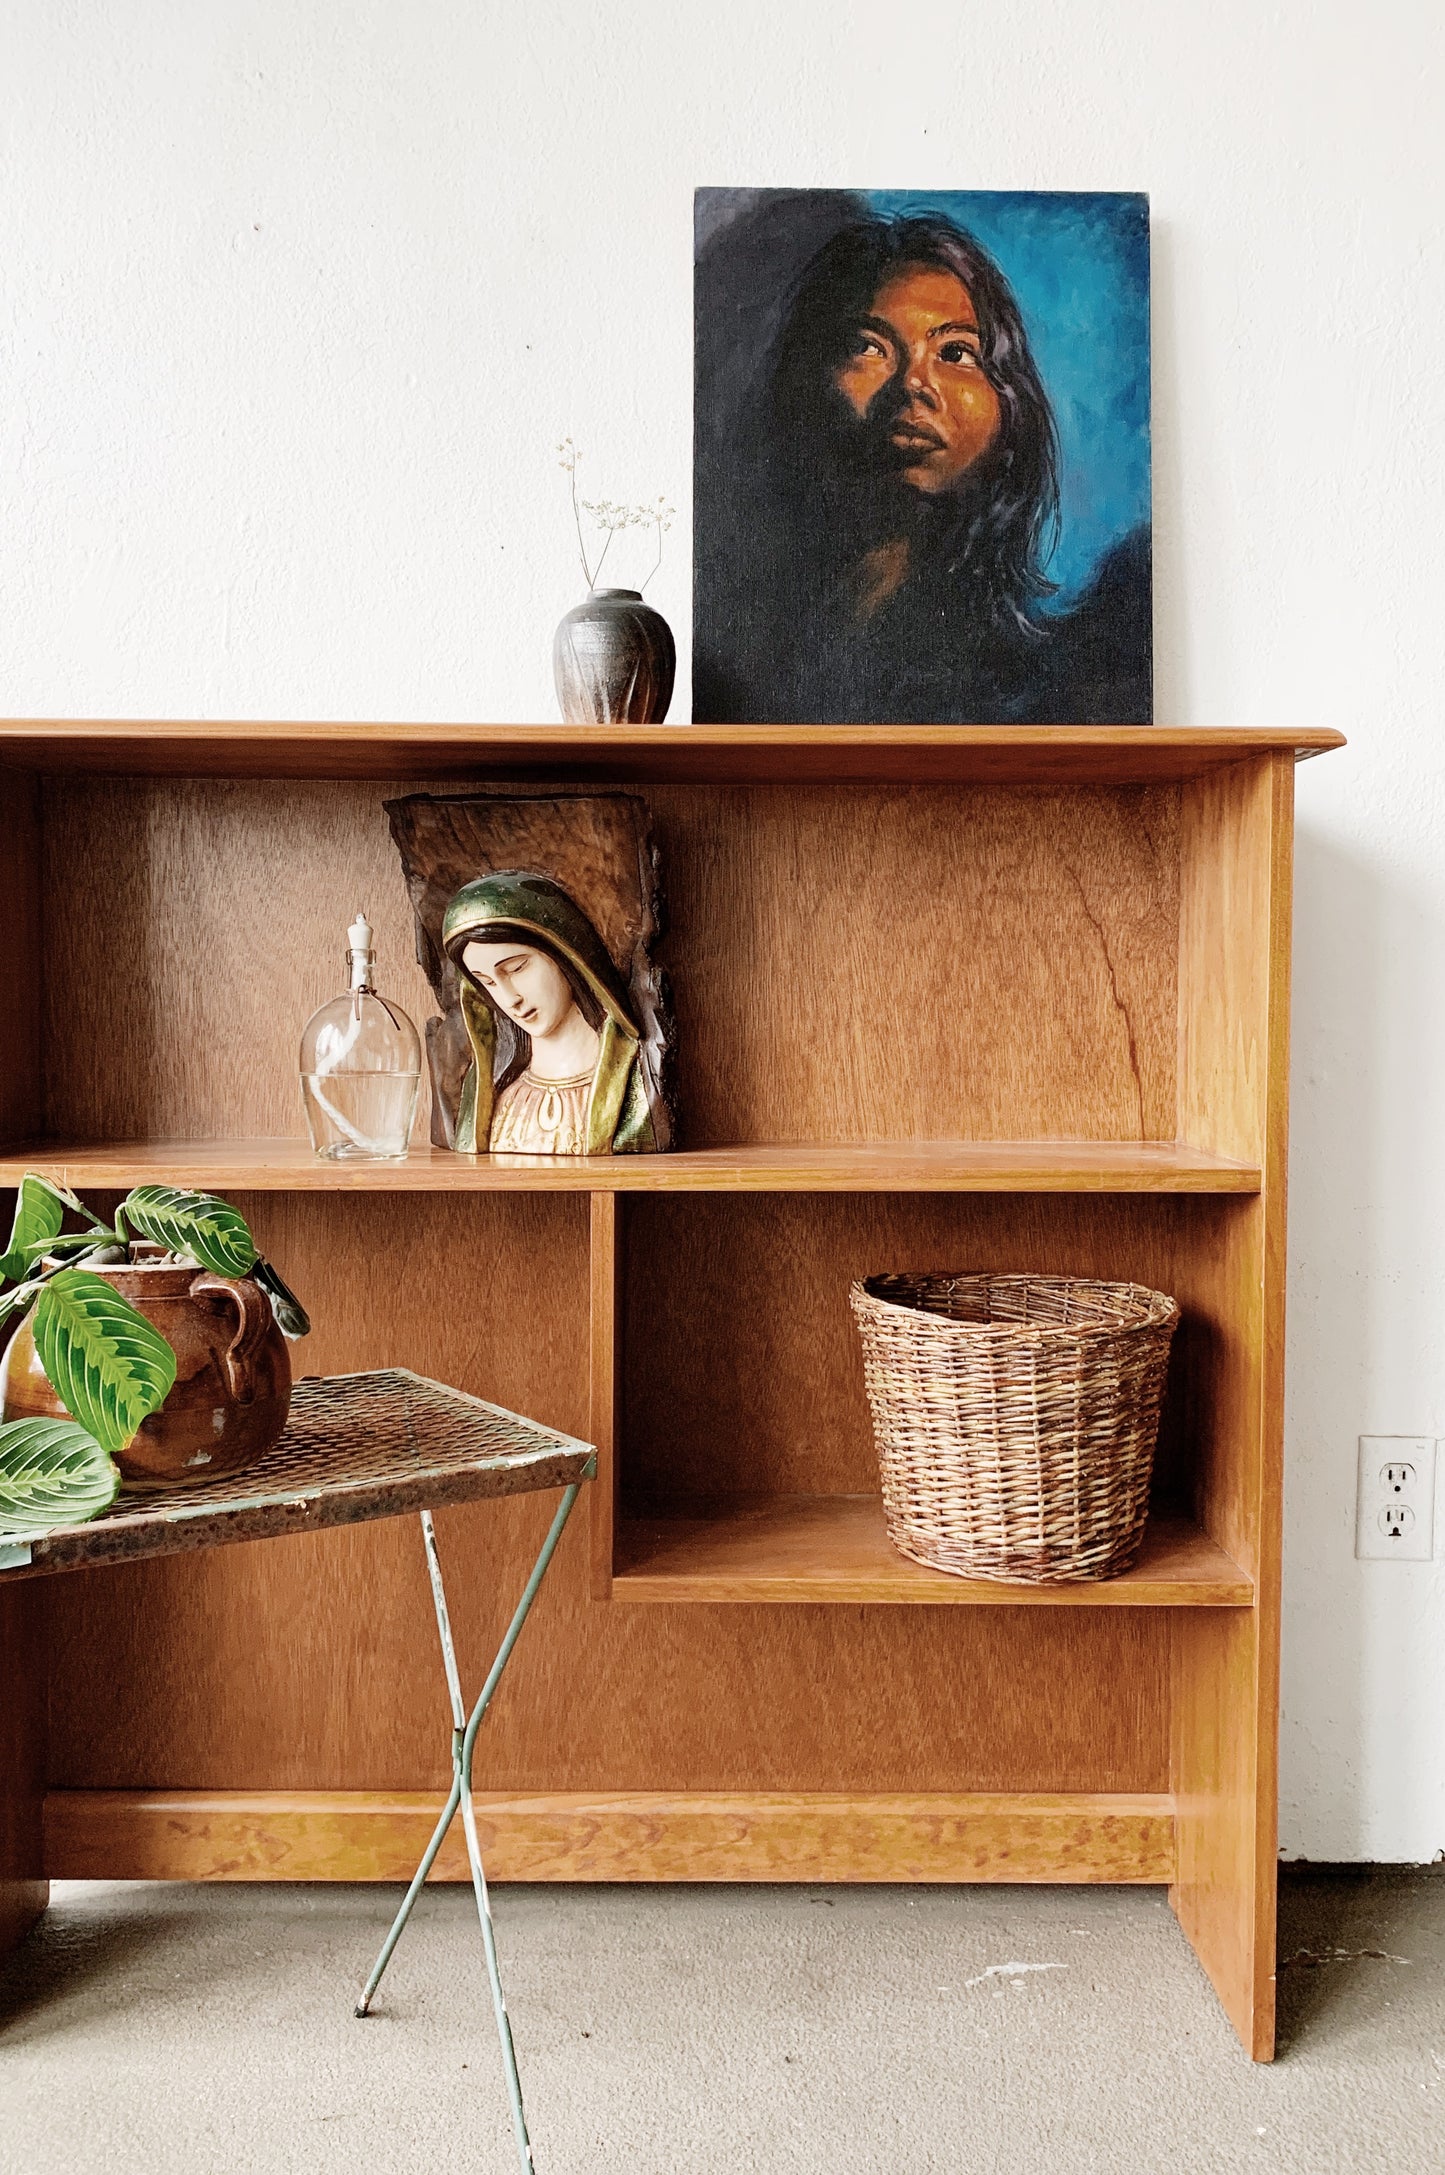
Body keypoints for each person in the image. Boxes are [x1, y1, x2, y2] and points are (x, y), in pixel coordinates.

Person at [694, 206, 1151, 724]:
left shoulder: (1045, 692)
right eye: (868, 347)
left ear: (1008, 403)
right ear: (803, 382)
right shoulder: (731, 664)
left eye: (955, 353)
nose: (914, 385)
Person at [441, 872, 657, 1154]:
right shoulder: (500, 1099)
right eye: (488, 982)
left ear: (566, 954)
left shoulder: (635, 1084)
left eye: (517, 968)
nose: (509, 999)